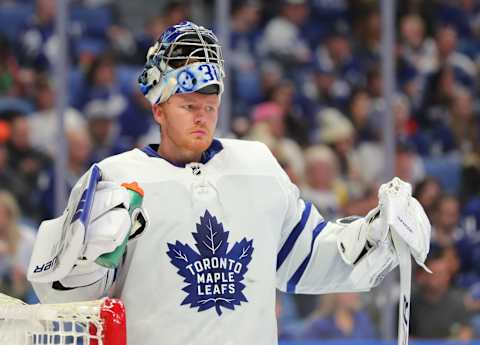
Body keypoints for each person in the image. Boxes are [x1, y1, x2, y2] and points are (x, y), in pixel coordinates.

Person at [28, 21, 431, 345]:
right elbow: (60, 299)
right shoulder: (116, 180)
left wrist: (378, 235)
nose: (201, 116)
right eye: (188, 106)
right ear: (158, 108)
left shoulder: (258, 167)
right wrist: (87, 262)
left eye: (210, 106)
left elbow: (308, 258)